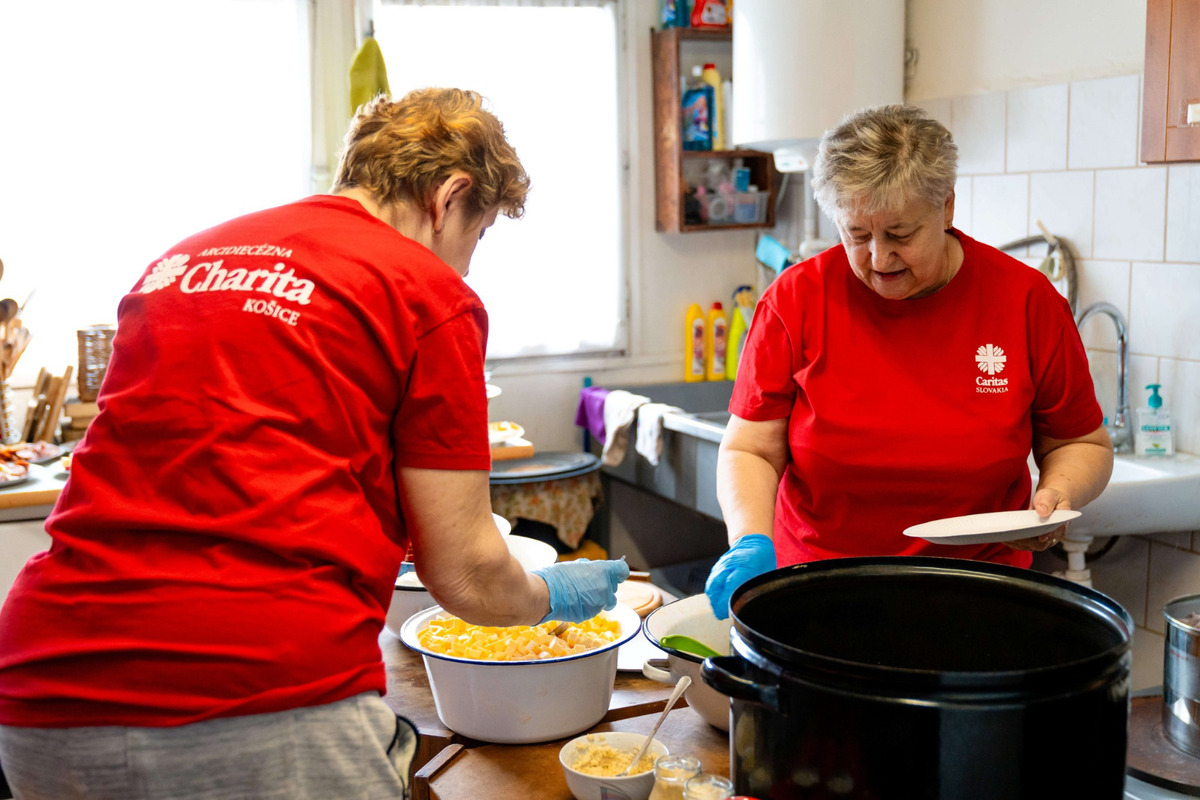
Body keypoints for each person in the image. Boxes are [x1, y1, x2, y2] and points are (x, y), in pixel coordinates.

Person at [0, 88, 628, 799]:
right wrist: (549, 594)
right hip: (256, 689)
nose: (468, 267)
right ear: (449, 197)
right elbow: (467, 575)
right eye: (476, 237)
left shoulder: (181, 261)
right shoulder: (425, 290)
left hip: (42, 688)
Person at [705, 104, 1112, 620]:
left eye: (900, 234)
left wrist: (1059, 491)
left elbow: (1079, 441)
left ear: (946, 207)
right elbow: (752, 449)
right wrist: (748, 540)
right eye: (856, 235)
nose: (878, 258)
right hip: (818, 591)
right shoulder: (795, 301)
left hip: (980, 592)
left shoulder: (1026, 302)